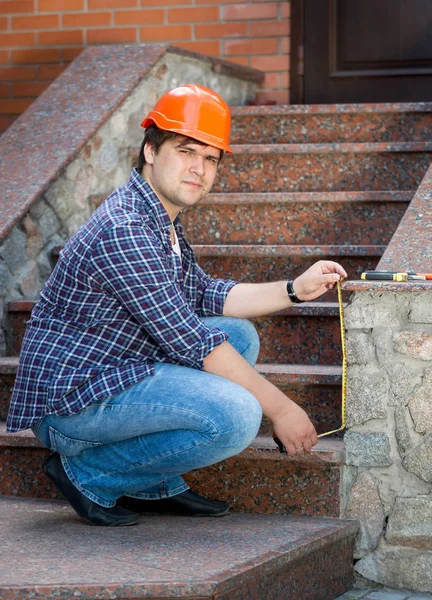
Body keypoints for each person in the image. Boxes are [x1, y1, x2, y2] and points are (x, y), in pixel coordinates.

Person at [7, 84, 347, 526]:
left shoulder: (159, 218)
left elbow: (205, 295)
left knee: (238, 334)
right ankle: (89, 473)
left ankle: (153, 483)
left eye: (210, 159)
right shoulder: (126, 228)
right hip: (74, 403)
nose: (199, 169)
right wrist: (281, 409)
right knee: (236, 415)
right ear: (150, 150)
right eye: (187, 151)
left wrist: (294, 289)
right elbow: (192, 341)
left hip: (117, 369)